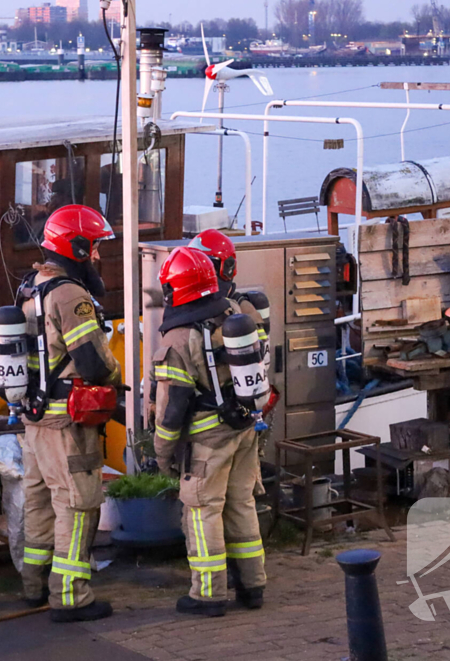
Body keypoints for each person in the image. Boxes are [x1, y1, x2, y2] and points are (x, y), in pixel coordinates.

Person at [13, 204, 120, 623]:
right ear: (75, 246)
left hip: (34, 418)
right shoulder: (71, 294)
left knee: (39, 499)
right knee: (77, 502)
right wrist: (114, 373)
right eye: (93, 247)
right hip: (66, 421)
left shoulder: (33, 285)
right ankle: (71, 595)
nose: (96, 256)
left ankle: (33, 584)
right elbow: (93, 363)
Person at [152, 246, 267, 618]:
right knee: (242, 504)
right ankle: (253, 586)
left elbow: (171, 410)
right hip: (245, 428)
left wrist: (163, 455)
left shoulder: (177, 340)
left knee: (203, 511)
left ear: (176, 289)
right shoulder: (232, 312)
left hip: (207, 441)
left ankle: (208, 594)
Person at [188, 229, 272, 358]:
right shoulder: (189, 304)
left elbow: (259, 361)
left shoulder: (244, 311)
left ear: (226, 268)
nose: (203, 273)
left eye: (210, 266)